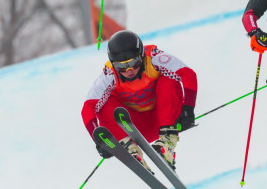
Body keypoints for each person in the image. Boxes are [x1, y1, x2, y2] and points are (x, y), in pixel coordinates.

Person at [81, 30, 197, 169]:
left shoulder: (154, 58)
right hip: (135, 128)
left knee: (168, 79)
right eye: (121, 66)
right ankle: (131, 149)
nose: (129, 70)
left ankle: (167, 143)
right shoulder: (110, 74)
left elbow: (187, 73)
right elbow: (88, 107)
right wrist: (100, 141)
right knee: (104, 102)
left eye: (134, 62)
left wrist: (188, 109)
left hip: (164, 119)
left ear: (141, 56)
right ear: (114, 64)